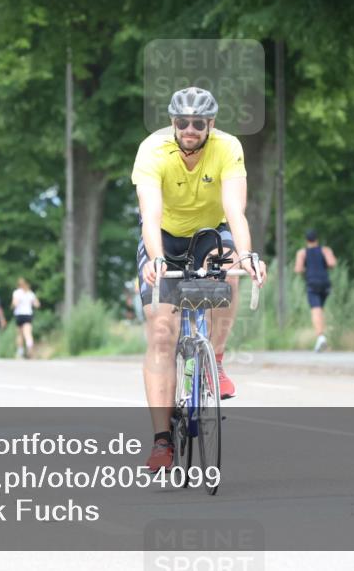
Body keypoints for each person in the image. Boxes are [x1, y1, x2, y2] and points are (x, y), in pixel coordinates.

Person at [132, 86, 267, 472]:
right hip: (165, 237)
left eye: (198, 123)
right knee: (162, 331)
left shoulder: (228, 147)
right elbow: (151, 216)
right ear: (172, 122)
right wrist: (157, 260)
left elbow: (235, 211)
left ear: (211, 124)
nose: (190, 129)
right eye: (182, 122)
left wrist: (247, 255)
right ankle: (161, 442)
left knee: (231, 271)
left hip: (210, 231)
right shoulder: (152, 150)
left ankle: (217, 360)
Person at [294, 229, 337, 352]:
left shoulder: (302, 253)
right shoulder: (325, 250)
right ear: (317, 239)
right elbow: (332, 263)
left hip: (312, 283)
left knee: (315, 310)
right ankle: (322, 337)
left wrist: (306, 269)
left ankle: (320, 337)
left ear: (306, 240)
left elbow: (298, 269)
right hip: (325, 283)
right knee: (320, 310)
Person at [11, 278, 40, 359]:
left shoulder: (17, 293)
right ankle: (29, 347)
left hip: (19, 315)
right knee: (28, 333)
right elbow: (37, 304)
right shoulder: (30, 293)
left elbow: (15, 303)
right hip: (28, 314)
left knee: (20, 334)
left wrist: (14, 305)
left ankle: (20, 351)